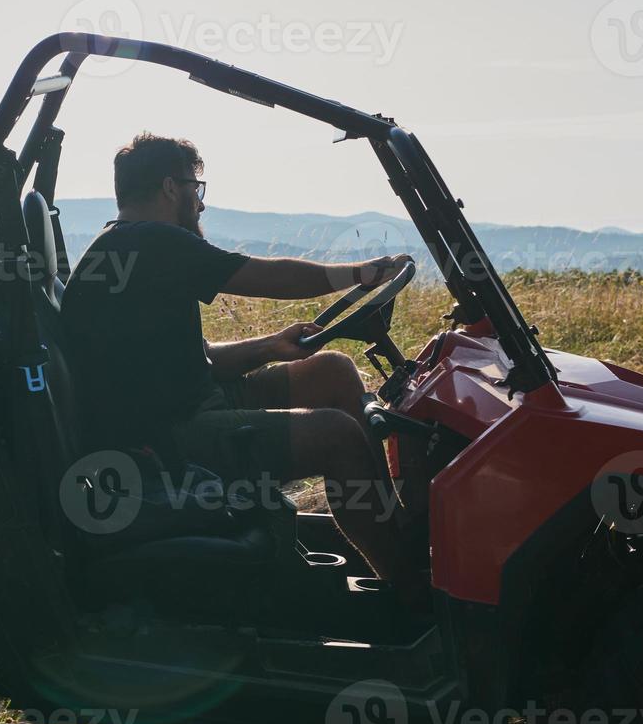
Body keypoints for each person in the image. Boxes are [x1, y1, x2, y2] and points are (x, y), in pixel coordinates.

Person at [60, 132, 423, 601]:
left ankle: (388, 523)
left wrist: (269, 346)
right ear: (172, 188)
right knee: (338, 435)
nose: (201, 203)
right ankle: (410, 589)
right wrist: (363, 272)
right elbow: (265, 276)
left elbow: (198, 356)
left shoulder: (126, 247)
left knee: (331, 371)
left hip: (192, 402)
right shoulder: (149, 242)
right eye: (197, 188)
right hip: (166, 442)